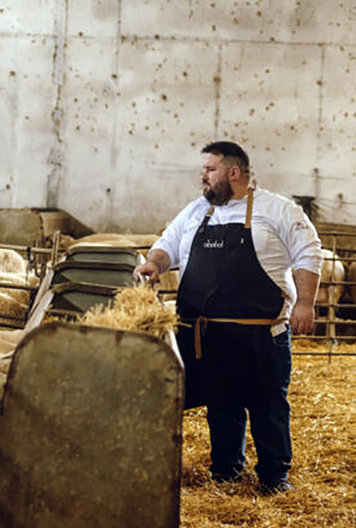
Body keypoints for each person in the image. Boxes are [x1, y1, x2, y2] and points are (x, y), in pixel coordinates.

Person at [134, 141, 322, 494]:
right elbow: (167, 243)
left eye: (210, 170)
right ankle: (226, 473)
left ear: (233, 173)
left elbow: (308, 252)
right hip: (208, 335)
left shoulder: (278, 210)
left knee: (268, 406)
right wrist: (153, 263)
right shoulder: (196, 212)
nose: (202, 177)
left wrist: (305, 304)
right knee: (221, 406)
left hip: (260, 335)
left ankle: (273, 477)